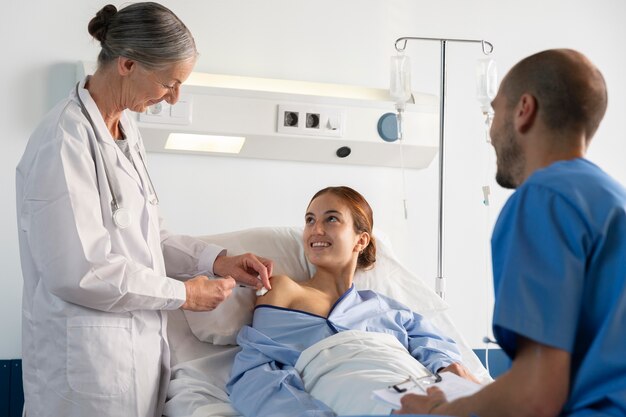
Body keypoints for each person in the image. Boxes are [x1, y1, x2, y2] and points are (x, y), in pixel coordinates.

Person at [15, 3, 272, 417]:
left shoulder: (125, 130)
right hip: (85, 370)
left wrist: (217, 261)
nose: (174, 97)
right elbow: (80, 272)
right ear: (128, 64)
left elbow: (152, 240)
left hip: (136, 358)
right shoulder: (63, 141)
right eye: (170, 83)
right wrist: (183, 294)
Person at [395, 49, 626, 416]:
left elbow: (536, 397)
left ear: (523, 110)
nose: (490, 132)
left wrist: (440, 412)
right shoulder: (613, 199)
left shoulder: (543, 198)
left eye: (494, 111)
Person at [227, 186, 478, 416]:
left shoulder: (387, 307)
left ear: (361, 240)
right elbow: (257, 370)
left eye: (331, 219)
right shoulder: (284, 290)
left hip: (416, 383)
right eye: (310, 220)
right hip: (357, 391)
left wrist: (447, 369)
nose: (316, 229)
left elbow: (435, 345)